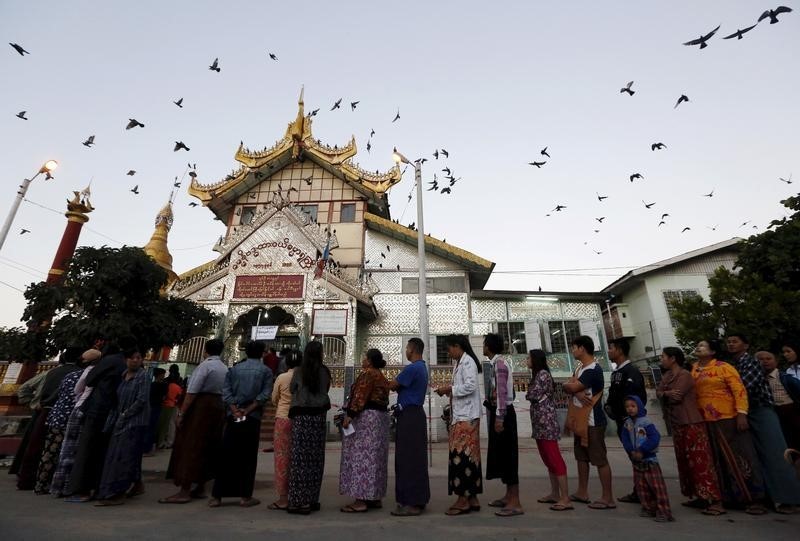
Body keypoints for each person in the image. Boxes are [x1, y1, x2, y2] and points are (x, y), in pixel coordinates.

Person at [691, 339, 767, 514]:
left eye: (702, 345)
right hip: (705, 420)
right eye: (699, 344)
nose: (698, 347)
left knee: (740, 457)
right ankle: (723, 498)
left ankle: (754, 499)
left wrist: (742, 414)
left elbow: (739, 390)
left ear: (713, 351)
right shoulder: (694, 368)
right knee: (715, 460)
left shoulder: (724, 367)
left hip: (728, 418)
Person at [727, 333, 800, 513]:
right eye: (728, 342)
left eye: (735, 341)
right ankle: (765, 496)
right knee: (753, 456)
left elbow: (744, 388)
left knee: (775, 454)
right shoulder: (732, 365)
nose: (730, 344)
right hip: (743, 411)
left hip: (759, 410)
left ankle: (787, 499)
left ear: (745, 345)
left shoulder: (750, 363)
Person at [656, 347, 724, 515]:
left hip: (691, 422)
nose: (661, 359)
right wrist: (666, 393)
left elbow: (676, 396)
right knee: (686, 462)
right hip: (677, 423)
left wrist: (665, 393)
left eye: (663, 356)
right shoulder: (667, 376)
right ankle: (700, 497)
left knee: (700, 461)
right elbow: (659, 393)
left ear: (672, 359)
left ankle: (715, 501)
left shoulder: (684, 375)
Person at [160, 338, 228, 504]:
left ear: (205, 350)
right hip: (218, 407)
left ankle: (184, 490)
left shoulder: (205, 366)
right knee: (208, 446)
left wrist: (182, 413)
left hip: (201, 408)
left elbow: (192, 391)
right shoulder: (224, 368)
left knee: (191, 445)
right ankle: (201, 486)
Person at [209, 340, 272, 508]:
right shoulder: (265, 371)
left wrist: (235, 409)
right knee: (248, 457)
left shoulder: (234, 369)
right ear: (262, 353)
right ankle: (245, 496)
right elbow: (265, 394)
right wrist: (248, 409)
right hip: (252, 417)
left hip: (233, 416)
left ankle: (217, 496)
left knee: (226, 455)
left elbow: (226, 391)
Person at [67, 338, 131, 501]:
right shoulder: (127, 363)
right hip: (116, 410)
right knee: (105, 449)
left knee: (87, 448)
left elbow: (89, 380)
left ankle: (81, 489)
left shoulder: (109, 360)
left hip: (97, 408)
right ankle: (100, 486)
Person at [16, 348, 85, 491]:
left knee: (38, 448)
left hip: (45, 411)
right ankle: (57, 483)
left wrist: (35, 404)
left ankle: (32, 480)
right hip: (66, 415)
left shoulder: (51, 372)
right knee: (62, 450)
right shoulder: (79, 375)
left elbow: (26, 389)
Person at [563, 335, 615, 510]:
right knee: (581, 458)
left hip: (593, 421)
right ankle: (582, 492)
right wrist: (576, 391)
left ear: (582, 348)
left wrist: (574, 389)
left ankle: (608, 497)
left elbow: (572, 386)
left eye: (574, 347)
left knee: (599, 459)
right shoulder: (579, 369)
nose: (572, 350)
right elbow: (568, 386)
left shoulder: (593, 369)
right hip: (580, 421)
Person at [95, 347, 151, 506]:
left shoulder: (143, 377)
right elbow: (116, 401)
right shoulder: (122, 376)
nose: (135, 360)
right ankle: (136, 484)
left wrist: (125, 415)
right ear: (125, 360)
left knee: (123, 456)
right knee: (124, 455)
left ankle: (116, 492)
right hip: (119, 421)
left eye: (138, 357)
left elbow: (141, 400)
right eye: (132, 357)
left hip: (134, 422)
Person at [434, 334, 483, 516]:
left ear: (457, 346)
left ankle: (463, 499)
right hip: (462, 415)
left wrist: (450, 389)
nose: (448, 352)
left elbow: (470, 386)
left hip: (466, 418)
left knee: (462, 457)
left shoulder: (468, 362)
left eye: (449, 348)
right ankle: (472, 498)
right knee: (470, 457)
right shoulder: (460, 363)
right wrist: (450, 390)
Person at [339, 348, 391, 513]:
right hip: (380, 420)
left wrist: (350, 415)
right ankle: (374, 497)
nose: (362, 360)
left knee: (361, 458)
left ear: (369, 361)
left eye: (364, 357)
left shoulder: (368, 374)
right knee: (376, 458)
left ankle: (360, 500)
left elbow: (360, 396)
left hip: (367, 420)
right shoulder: (380, 375)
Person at [49, 348, 103, 497]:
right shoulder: (93, 372)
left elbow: (75, 391)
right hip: (83, 411)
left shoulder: (72, 374)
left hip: (68, 411)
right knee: (75, 449)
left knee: (65, 450)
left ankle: (57, 486)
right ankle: (68, 486)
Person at [388, 337, 431, 517]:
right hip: (415, 415)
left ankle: (412, 502)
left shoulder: (412, 368)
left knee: (408, 459)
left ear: (412, 349)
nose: (406, 351)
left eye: (407, 348)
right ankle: (418, 499)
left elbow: (392, 385)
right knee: (416, 458)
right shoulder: (422, 368)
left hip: (409, 417)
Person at [287, 340, 331, 514]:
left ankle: (298, 501)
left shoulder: (299, 371)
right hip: (318, 417)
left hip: (302, 417)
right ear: (320, 354)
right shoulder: (324, 371)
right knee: (315, 459)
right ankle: (312, 499)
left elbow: (292, 389)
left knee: (299, 460)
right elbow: (326, 390)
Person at [525, 349, 572, 511]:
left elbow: (533, 394)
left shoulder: (543, 374)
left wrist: (529, 393)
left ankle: (565, 498)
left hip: (546, 423)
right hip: (539, 423)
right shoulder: (538, 375)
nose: (527, 360)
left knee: (554, 457)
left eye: (529, 357)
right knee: (547, 459)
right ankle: (555, 493)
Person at [482, 333, 522, 517]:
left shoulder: (499, 365)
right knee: (503, 456)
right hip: (500, 413)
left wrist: (499, 417)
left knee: (509, 457)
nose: (482, 347)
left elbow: (502, 393)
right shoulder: (495, 363)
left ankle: (515, 502)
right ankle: (508, 496)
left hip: (504, 415)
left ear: (489, 347)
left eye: (484, 344)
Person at [620, 396, 674, 522]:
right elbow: (625, 439)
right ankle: (649, 508)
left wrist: (642, 450)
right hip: (636, 460)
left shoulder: (646, 422)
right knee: (642, 486)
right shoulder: (627, 423)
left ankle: (664, 511)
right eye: (627, 407)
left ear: (639, 406)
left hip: (649, 459)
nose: (630, 409)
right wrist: (631, 450)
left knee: (657, 487)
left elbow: (655, 438)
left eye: (633, 406)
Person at [606, 337, 646, 504]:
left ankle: (647, 491)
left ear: (620, 350)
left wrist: (628, 415)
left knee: (639, 456)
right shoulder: (617, 372)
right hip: (622, 421)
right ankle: (640, 490)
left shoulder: (632, 372)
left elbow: (636, 398)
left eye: (611, 348)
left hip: (631, 422)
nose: (608, 351)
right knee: (632, 456)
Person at [268, 349, 301, 511]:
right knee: (298, 458)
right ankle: (298, 494)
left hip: (283, 418)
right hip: (300, 420)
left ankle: (283, 498)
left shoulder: (282, 377)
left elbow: (274, 399)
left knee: (282, 457)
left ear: (286, 363)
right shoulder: (304, 377)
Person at [757, 350, 800, 452]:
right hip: (774, 413)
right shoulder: (758, 379)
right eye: (761, 359)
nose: (765, 361)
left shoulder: (785, 377)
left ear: (776, 362)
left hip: (790, 411)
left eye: (768, 359)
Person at [157, 364, 183, 449]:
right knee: (172, 424)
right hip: (174, 405)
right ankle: (170, 441)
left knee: (164, 424)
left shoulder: (166, 381)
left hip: (164, 404)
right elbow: (180, 396)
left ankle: (161, 441)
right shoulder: (179, 382)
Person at [145, 368, 166, 455]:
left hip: (151, 407)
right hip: (157, 407)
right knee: (152, 427)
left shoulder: (152, 385)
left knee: (150, 427)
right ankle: (149, 448)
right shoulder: (164, 386)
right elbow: (164, 397)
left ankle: (147, 448)